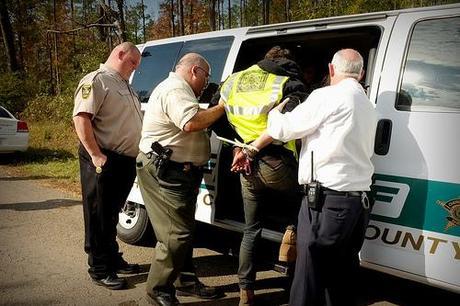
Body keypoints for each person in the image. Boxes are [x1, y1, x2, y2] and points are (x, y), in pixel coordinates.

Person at [266, 49, 377, 306]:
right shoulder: (368, 103)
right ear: (361, 73)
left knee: (309, 275)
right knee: (340, 276)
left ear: (331, 69)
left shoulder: (326, 96)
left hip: (326, 202)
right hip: (357, 204)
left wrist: (277, 110)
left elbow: (282, 129)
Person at [218, 46, 308, 306]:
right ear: (286, 62)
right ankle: (290, 239)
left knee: (251, 229)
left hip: (246, 166)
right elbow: (292, 122)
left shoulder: (233, 80)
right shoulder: (287, 82)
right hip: (277, 163)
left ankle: (245, 293)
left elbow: (219, 119)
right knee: (304, 202)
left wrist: (238, 147)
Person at [136, 53, 226, 306]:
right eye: (206, 78)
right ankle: (158, 289)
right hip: (168, 170)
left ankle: (184, 280)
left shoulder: (180, 89)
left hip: (180, 170)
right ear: (195, 71)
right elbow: (190, 122)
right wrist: (222, 107)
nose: (206, 84)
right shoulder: (176, 89)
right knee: (177, 234)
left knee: (183, 228)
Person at [73, 42, 142, 290]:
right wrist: (95, 154)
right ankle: (99, 269)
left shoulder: (125, 85)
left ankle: (111, 258)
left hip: (124, 160)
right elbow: (81, 118)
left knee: (111, 215)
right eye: (133, 62)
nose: (134, 68)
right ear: (120, 53)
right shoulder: (97, 80)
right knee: (98, 214)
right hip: (103, 158)